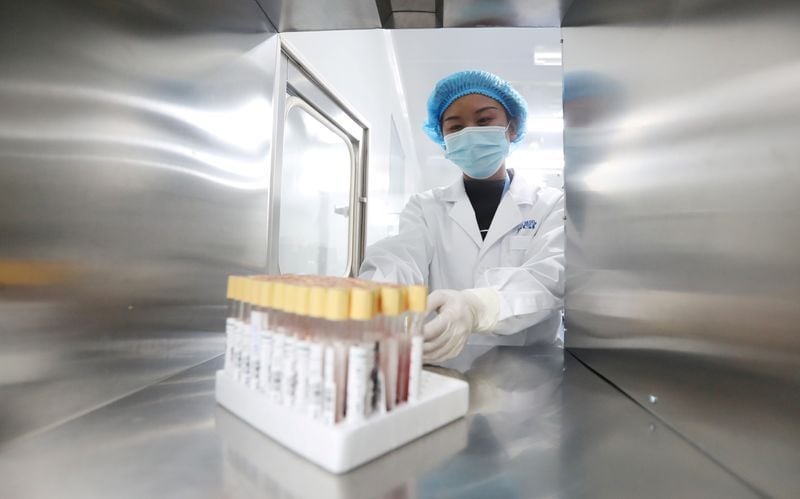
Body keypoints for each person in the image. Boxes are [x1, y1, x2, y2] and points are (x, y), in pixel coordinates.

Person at [359, 70, 565, 363]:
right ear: (443, 140)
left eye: (484, 121)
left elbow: (551, 277)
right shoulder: (425, 207)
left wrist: (478, 306)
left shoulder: (550, 205)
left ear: (512, 128)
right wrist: (375, 295)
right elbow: (400, 256)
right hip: (444, 363)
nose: (469, 133)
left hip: (530, 369)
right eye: (455, 127)